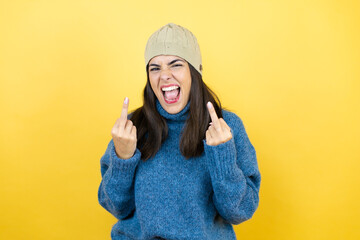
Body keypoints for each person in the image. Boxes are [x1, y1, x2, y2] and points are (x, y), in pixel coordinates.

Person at [98, 22, 261, 240]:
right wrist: (123, 159)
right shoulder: (131, 128)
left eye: (175, 65)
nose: (164, 75)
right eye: (155, 68)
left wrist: (222, 158)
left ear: (195, 72)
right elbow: (116, 207)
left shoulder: (226, 127)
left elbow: (239, 211)